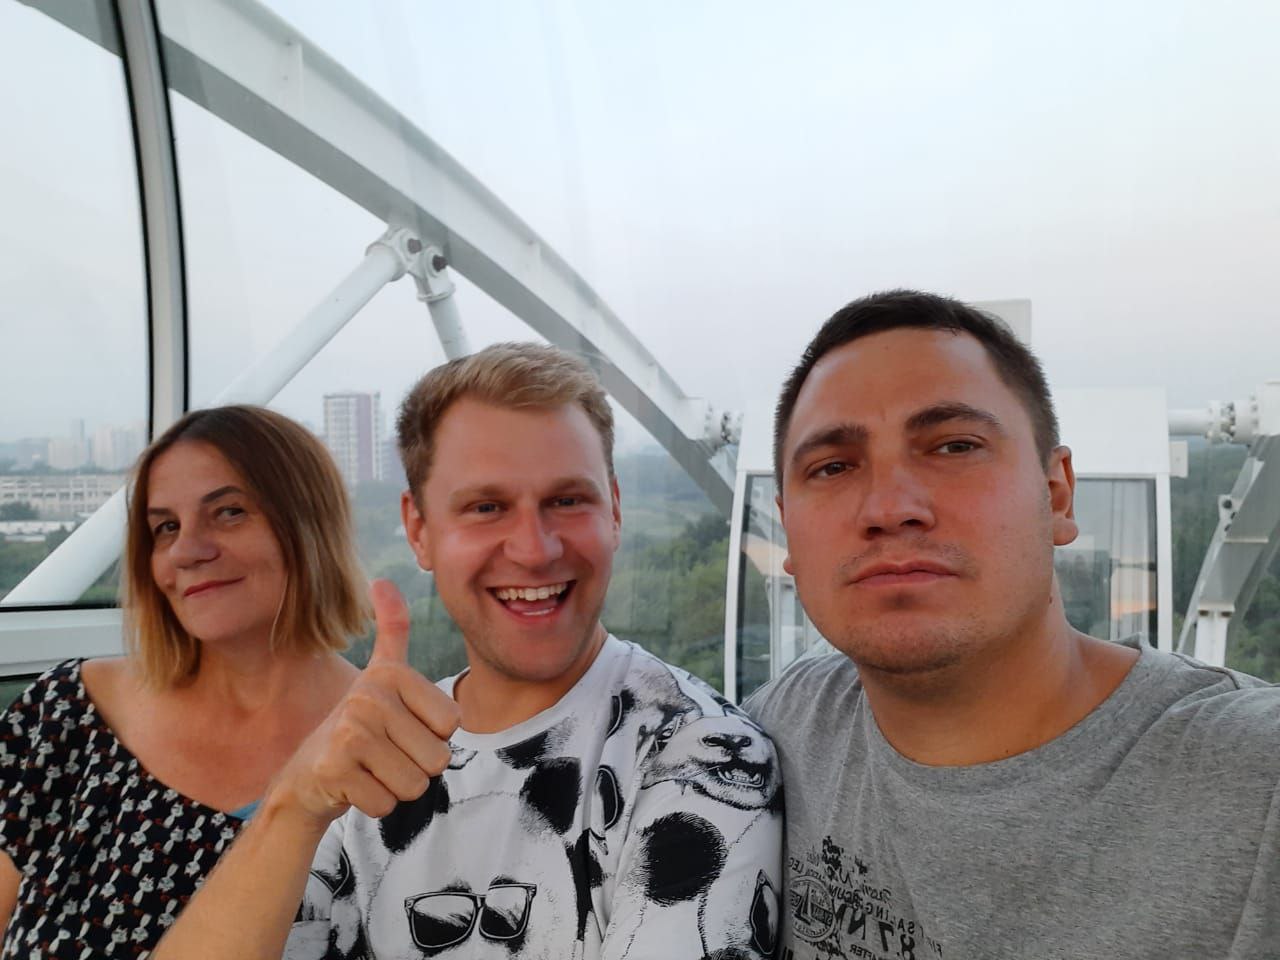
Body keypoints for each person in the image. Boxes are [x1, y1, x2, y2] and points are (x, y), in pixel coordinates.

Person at [153, 343, 783, 960]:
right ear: (419, 530)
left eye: (567, 500)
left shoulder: (698, 755)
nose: (534, 550)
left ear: (614, 509)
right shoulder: (376, 756)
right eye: (486, 507)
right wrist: (293, 807)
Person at [744, 289, 1280, 959]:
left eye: (954, 445)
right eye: (832, 467)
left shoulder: (1253, 783)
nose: (888, 507)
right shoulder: (777, 732)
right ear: (788, 531)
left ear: (1057, 494)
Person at [0, 405, 369, 959]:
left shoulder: (388, 747)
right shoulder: (64, 717)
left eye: (229, 512)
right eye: (165, 528)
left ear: (308, 523)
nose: (187, 551)